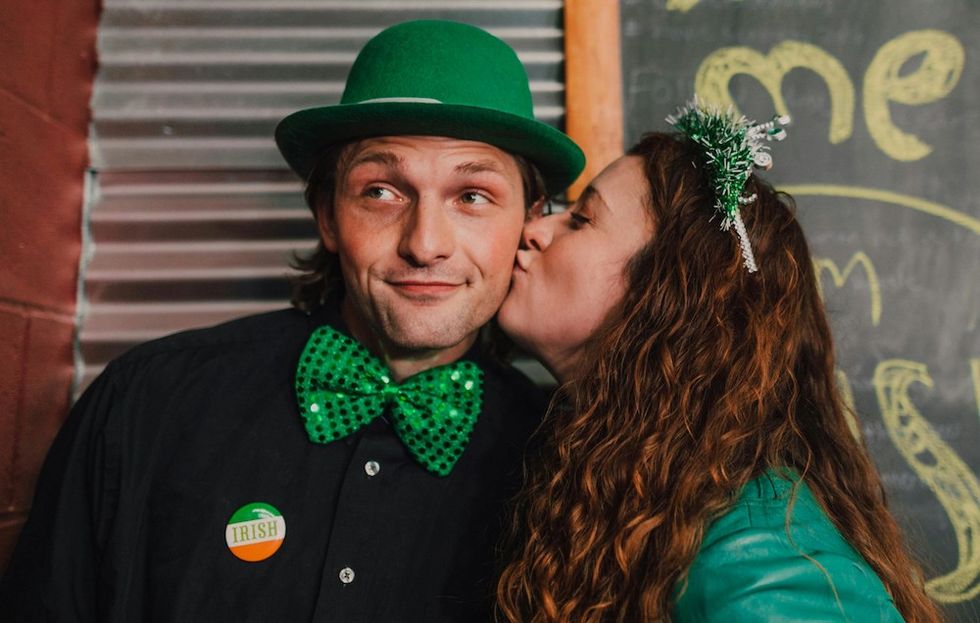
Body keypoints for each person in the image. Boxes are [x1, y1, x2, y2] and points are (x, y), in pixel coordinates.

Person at [0, 20, 584, 622]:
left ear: (529, 223)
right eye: (382, 192)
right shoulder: (145, 401)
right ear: (327, 217)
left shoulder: (568, 459)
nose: (425, 244)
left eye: (473, 196)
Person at [495, 103, 942, 622]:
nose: (536, 229)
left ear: (666, 293)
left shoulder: (765, 553)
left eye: (581, 219)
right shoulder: (622, 478)